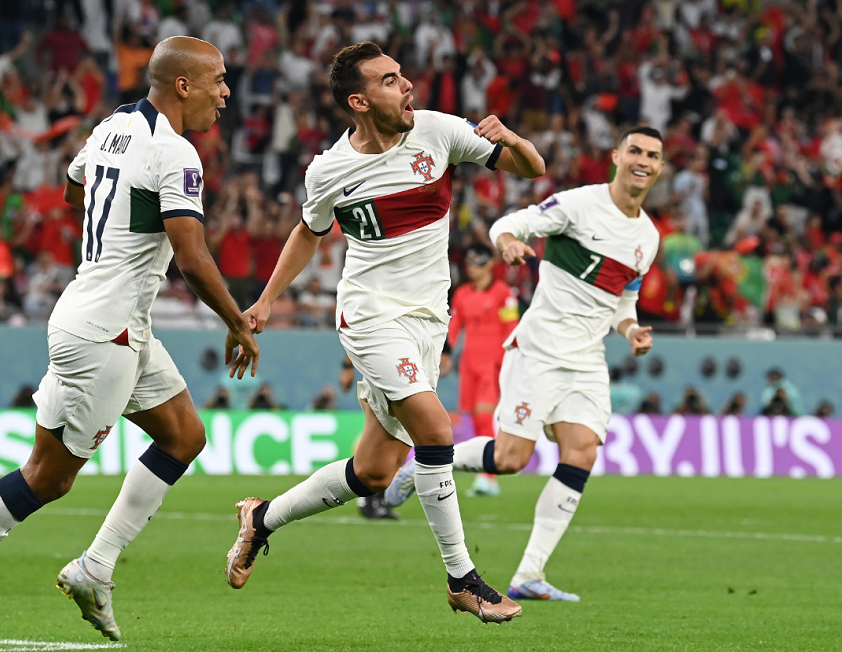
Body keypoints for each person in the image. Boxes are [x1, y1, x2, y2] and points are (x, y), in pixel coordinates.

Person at [0, 37, 259, 651]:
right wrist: (237, 322)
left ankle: (95, 569)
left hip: (112, 321)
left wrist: (117, 235)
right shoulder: (175, 151)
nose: (225, 92)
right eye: (217, 80)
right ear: (183, 85)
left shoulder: (112, 127)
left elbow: (73, 189)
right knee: (48, 478)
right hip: (104, 333)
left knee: (185, 436)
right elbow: (191, 258)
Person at [224, 41, 544, 624]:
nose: (407, 86)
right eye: (390, 80)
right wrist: (267, 299)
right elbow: (308, 232)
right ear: (359, 101)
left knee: (374, 470)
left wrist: (514, 140)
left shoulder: (439, 131)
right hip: (370, 315)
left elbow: (532, 168)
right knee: (436, 430)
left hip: (427, 319)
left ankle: (260, 518)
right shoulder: (329, 169)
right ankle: (462, 579)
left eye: (402, 75)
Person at [386, 126, 664, 603]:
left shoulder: (649, 237)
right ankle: (423, 465)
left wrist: (630, 329)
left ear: (659, 167)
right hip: (539, 349)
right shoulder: (579, 205)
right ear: (617, 156)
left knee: (582, 452)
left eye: (653, 155)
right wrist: (510, 242)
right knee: (511, 459)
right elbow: (508, 223)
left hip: (587, 359)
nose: (643, 160)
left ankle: (530, 574)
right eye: (635, 151)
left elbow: (624, 298)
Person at [445, 244, 519, 497]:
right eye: (468, 264)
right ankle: (486, 470)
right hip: (469, 365)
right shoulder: (462, 294)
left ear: (489, 264)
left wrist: (512, 360)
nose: (471, 269)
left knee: (485, 417)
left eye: (476, 263)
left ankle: (489, 476)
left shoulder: (503, 293)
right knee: (475, 419)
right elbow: (454, 328)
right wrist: (445, 354)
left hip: (493, 364)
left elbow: (511, 326)